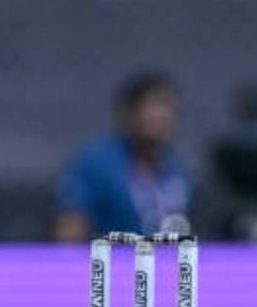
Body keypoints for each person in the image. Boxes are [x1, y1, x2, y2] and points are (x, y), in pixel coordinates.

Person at [55, 72, 192, 241]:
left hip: (165, 255)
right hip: (113, 256)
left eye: (169, 108)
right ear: (130, 114)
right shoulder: (97, 165)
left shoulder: (177, 169)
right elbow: (70, 232)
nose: (163, 116)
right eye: (153, 107)